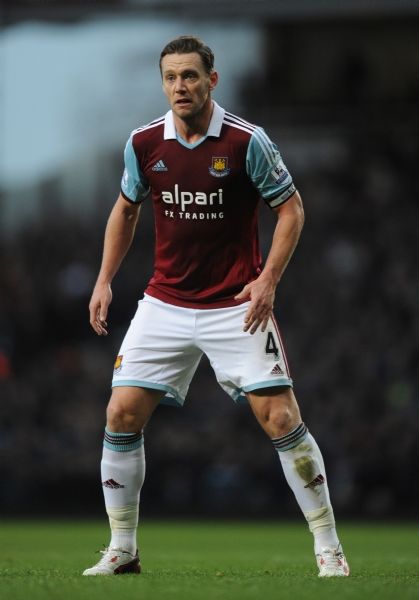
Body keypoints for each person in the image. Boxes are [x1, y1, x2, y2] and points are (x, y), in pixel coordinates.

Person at [83, 35, 349, 578]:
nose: (180, 86)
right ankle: (122, 548)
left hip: (236, 304)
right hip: (165, 301)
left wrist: (268, 280)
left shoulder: (246, 141)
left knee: (281, 418)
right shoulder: (143, 143)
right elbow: (126, 209)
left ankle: (329, 548)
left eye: (190, 75)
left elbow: (291, 210)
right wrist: (104, 279)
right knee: (120, 413)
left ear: (212, 80)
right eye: (170, 77)